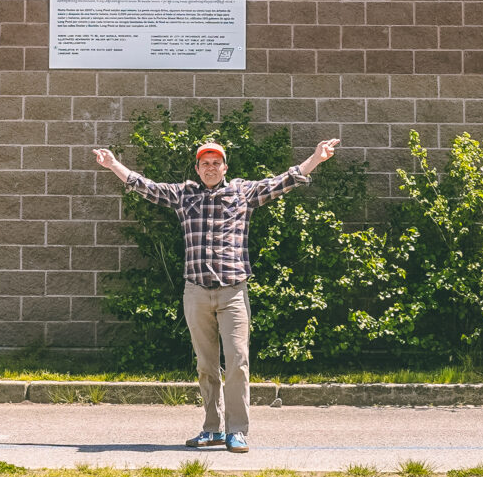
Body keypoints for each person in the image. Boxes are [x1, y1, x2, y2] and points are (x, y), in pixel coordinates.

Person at [93, 133, 339, 453]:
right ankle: (212, 429)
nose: (210, 167)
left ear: (225, 167)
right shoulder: (185, 195)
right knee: (206, 365)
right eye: (205, 163)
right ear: (197, 169)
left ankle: (237, 431)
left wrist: (316, 159)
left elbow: (284, 181)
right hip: (195, 292)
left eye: (216, 163)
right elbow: (144, 185)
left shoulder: (242, 192)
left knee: (237, 361)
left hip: (232, 292)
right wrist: (113, 165)